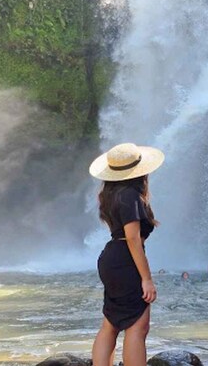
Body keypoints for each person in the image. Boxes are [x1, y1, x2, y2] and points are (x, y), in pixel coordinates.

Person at [90, 142, 165, 366]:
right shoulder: (130, 195)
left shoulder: (110, 194)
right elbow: (132, 237)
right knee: (138, 326)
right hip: (125, 258)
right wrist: (147, 279)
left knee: (110, 323)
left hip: (110, 258)